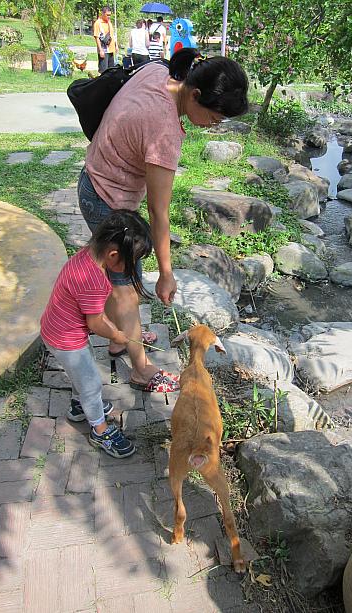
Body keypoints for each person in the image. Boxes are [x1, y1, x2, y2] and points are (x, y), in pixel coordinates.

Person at [77, 48, 248, 393]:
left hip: (95, 177)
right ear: (195, 95)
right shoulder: (164, 132)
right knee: (127, 288)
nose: (213, 126)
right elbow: (159, 212)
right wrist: (167, 274)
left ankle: (119, 339)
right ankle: (141, 369)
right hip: (106, 197)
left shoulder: (161, 73)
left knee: (123, 276)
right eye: (214, 119)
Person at [40, 211, 155, 458]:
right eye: (131, 261)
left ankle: (79, 405)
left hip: (58, 330)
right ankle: (100, 430)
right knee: (91, 382)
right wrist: (116, 335)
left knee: (82, 373)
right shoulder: (93, 280)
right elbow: (95, 323)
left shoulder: (88, 255)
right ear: (114, 255)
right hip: (66, 339)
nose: (131, 266)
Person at [93, 5, 118, 74]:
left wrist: (116, 46)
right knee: (103, 72)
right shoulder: (98, 23)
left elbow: (112, 35)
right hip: (104, 51)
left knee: (111, 71)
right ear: (103, 13)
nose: (109, 17)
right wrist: (100, 50)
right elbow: (97, 37)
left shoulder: (109, 22)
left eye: (110, 15)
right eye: (107, 15)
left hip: (111, 50)